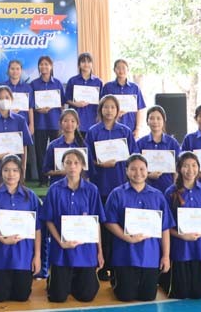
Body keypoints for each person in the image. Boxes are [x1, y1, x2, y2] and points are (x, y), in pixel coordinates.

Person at [104, 154, 173, 302]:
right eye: (133, 169)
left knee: (147, 297)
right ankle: (116, 279)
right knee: (125, 296)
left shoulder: (158, 196)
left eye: (142, 169)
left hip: (150, 255)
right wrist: (127, 238)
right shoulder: (117, 194)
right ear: (126, 171)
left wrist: (166, 256)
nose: (138, 173)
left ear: (147, 170)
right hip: (125, 255)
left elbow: (165, 228)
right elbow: (109, 222)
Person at [42, 148, 105, 303]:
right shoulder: (54, 189)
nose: (72, 166)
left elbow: (96, 222)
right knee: (58, 297)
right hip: (61, 250)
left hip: (85, 249)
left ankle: (74, 281)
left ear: (83, 165)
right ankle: (57, 281)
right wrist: (60, 241)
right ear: (63, 165)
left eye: (76, 163)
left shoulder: (92, 190)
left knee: (87, 296)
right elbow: (48, 220)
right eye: (68, 162)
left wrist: (99, 251)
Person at [86, 94, 137, 280]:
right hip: (101, 185)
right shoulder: (93, 132)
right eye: (105, 107)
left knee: (121, 226)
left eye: (112, 107)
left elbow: (134, 158)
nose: (109, 110)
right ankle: (103, 266)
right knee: (103, 226)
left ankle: (118, 266)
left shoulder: (125, 131)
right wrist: (99, 164)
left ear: (118, 111)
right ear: (101, 109)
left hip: (122, 186)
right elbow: (86, 160)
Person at [0, 154, 41, 302]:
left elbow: (37, 228)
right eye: (6, 170)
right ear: (1, 172)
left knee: (22, 296)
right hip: (0, 254)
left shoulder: (31, 196)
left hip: (23, 256)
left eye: (15, 170)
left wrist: (37, 256)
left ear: (21, 172)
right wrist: (2, 239)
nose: (10, 174)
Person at [162, 152, 201, 299]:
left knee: (198, 294)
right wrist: (182, 236)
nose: (190, 170)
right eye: (186, 166)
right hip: (180, 250)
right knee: (180, 293)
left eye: (194, 165)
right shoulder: (170, 192)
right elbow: (165, 226)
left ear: (199, 168)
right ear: (179, 169)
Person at [0, 85, 33, 190]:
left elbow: (24, 146)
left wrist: (23, 167)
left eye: (7, 97)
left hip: (15, 170)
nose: (3, 100)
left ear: (12, 99)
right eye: (0, 98)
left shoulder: (20, 120)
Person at [30, 56, 64, 186]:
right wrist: (38, 109)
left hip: (55, 122)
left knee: (57, 151)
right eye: (41, 64)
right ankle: (43, 180)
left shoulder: (58, 84)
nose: (43, 67)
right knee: (40, 153)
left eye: (46, 64)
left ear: (51, 66)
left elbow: (62, 105)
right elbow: (31, 105)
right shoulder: (33, 84)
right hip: (40, 123)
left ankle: (57, 178)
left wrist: (62, 123)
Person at [136, 105, 181, 194]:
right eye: (151, 118)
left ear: (164, 121)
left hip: (168, 189)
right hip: (144, 190)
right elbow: (135, 166)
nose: (155, 121)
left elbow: (178, 167)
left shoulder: (172, 143)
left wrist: (175, 188)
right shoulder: (140, 143)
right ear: (147, 121)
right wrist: (148, 175)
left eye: (158, 118)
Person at [100, 59, 146, 139]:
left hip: (131, 128)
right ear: (114, 70)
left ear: (128, 70)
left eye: (123, 68)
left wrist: (138, 128)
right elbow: (101, 108)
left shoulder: (135, 88)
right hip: (111, 127)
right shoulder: (107, 87)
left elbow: (140, 109)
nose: (121, 71)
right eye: (118, 68)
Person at [43, 108, 88, 185]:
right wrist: (61, 172)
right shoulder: (53, 145)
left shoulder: (83, 145)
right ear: (60, 123)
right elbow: (46, 171)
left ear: (77, 124)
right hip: (58, 186)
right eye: (66, 121)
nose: (69, 124)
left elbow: (88, 171)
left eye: (72, 121)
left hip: (78, 186)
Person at [65, 52, 103, 133]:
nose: (86, 64)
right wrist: (76, 104)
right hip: (75, 120)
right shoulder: (72, 80)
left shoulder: (98, 82)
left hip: (93, 119)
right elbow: (67, 99)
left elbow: (102, 101)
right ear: (79, 64)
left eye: (89, 61)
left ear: (92, 64)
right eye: (83, 61)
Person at [2, 59, 34, 134]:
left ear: (21, 70)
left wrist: (31, 124)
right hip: (6, 123)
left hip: (23, 123)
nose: (15, 71)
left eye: (17, 69)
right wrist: (8, 112)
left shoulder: (27, 88)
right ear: (8, 70)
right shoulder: (2, 87)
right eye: (12, 69)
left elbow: (30, 108)